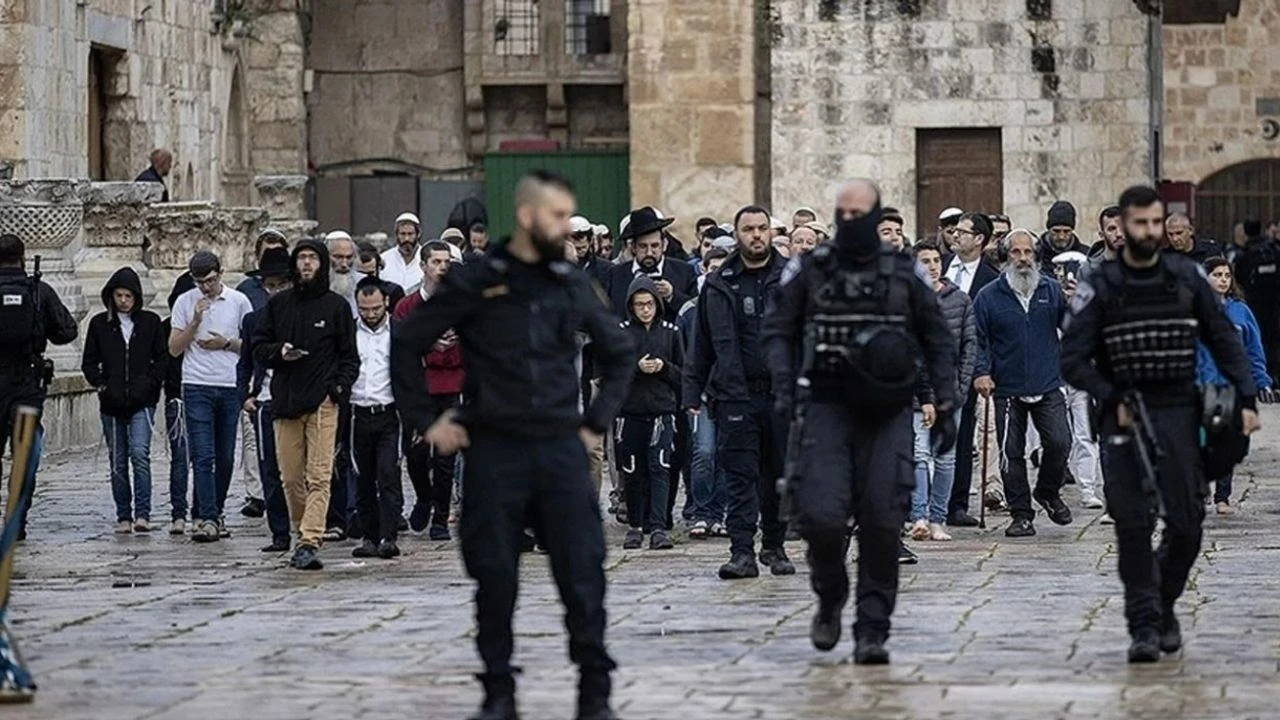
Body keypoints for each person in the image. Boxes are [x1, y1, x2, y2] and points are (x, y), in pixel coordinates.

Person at [390, 170, 634, 720]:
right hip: (495, 448)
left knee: (583, 572)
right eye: (555, 216)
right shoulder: (478, 279)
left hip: (558, 447)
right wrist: (427, 419)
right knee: (495, 577)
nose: (565, 226)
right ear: (527, 217)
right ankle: (498, 691)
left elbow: (618, 349)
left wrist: (595, 421)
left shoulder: (569, 280)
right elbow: (407, 340)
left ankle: (594, 693)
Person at [1062, 184, 1261, 663]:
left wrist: (1246, 397)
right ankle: (1144, 625)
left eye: (1158, 223)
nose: (1151, 232)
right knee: (1132, 526)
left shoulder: (1186, 278)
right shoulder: (1101, 283)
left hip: (1178, 408)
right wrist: (1111, 395)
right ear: (1123, 227)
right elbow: (1072, 358)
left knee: (1188, 522)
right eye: (1141, 224)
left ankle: (1164, 599)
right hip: (1124, 413)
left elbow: (1223, 337)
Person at [762, 180, 957, 664]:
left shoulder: (903, 272)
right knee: (823, 518)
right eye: (842, 213)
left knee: (882, 522)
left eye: (859, 213)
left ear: (876, 216)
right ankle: (830, 596)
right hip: (826, 407)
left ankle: (873, 628)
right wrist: (785, 385)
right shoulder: (811, 269)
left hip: (886, 411)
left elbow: (936, 337)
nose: (851, 222)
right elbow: (777, 330)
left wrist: (946, 405)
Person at [683, 205, 796, 580]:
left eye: (762, 228)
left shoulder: (792, 278)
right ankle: (742, 550)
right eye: (748, 229)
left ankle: (775, 546)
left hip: (782, 394)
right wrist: (692, 391)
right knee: (740, 474)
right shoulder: (720, 282)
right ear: (737, 234)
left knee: (778, 473)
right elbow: (701, 343)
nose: (757, 235)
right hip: (734, 394)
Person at [252, 239, 360, 570]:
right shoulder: (278, 304)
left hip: (323, 402)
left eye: (313, 258)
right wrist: (279, 353)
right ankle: (302, 530)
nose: (307, 264)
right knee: (290, 477)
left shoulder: (336, 307)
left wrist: (338, 388)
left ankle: (310, 538)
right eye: (302, 258)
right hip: (285, 401)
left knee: (320, 474)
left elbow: (349, 358)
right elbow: (258, 346)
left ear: (322, 264)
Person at [972, 229, 1074, 537]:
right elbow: (978, 340)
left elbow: (1070, 327)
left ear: (1036, 256)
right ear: (1006, 257)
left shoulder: (1051, 290)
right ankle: (1021, 513)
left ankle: (1047, 491)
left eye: (1028, 252)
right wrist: (981, 372)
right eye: (1015, 253)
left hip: (1047, 381)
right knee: (1010, 453)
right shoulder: (988, 296)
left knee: (1060, 442)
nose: (1022, 259)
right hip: (1006, 386)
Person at [168, 251, 253, 542]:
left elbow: (252, 346)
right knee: (203, 455)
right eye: (200, 282)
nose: (206, 287)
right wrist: (194, 322)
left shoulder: (239, 301)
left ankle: (214, 511)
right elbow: (174, 349)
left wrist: (225, 343)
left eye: (211, 280)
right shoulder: (185, 302)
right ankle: (206, 517)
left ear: (221, 273)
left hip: (230, 385)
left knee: (226, 456)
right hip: (196, 384)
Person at [81, 267, 167, 534]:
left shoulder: (150, 323)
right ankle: (123, 515)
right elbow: (89, 362)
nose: (123, 301)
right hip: (112, 402)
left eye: (128, 296)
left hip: (141, 401)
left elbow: (161, 360)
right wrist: (102, 384)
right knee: (117, 460)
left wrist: (150, 385)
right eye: (119, 295)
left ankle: (143, 513)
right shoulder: (99, 324)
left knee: (139, 453)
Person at [393, 240, 462, 541]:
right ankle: (424, 496)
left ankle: (440, 516)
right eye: (435, 262)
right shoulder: (407, 307)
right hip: (418, 389)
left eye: (446, 262)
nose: (442, 268)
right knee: (417, 452)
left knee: (446, 455)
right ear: (423, 266)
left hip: (451, 385)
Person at [908, 242, 975, 542]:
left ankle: (938, 517)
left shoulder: (959, 300)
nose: (933, 266)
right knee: (920, 454)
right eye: (925, 261)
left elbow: (969, 346)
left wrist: (960, 385)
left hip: (949, 390)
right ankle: (919, 515)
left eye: (936, 260)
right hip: (916, 393)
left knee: (946, 457)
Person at [1197, 257, 1271, 515]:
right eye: (1217, 275)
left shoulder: (1241, 311)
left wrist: (1261, 380)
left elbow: (1254, 350)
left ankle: (1223, 496)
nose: (1223, 280)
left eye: (1227, 276)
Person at [942, 213, 1000, 527]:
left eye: (963, 231)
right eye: (955, 231)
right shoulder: (938, 265)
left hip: (968, 364)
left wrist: (981, 368)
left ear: (979, 238)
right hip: (934, 362)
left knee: (963, 436)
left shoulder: (990, 280)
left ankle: (956, 504)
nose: (956, 236)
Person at [617, 276, 684, 551]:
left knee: (660, 469)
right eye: (639, 305)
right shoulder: (621, 332)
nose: (645, 310)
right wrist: (635, 368)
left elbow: (684, 373)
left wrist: (664, 368)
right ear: (631, 306)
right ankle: (635, 524)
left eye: (649, 304)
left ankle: (658, 525)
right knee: (632, 470)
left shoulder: (671, 332)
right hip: (629, 412)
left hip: (661, 411)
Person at [236, 247, 295, 552]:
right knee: (269, 469)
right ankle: (280, 533)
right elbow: (244, 362)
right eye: (270, 285)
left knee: (298, 471)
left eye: (281, 284)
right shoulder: (253, 320)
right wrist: (245, 395)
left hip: (298, 401)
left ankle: (309, 526)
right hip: (265, 401)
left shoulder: (304, 316)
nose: (275, 291)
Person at [348, 278, 404, 559]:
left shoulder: (399, 332)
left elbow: (410, 375)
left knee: (388, 474)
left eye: (375, 308)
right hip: (358, 413)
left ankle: (388, 536)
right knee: (363, 478)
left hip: (389, 413)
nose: (370, 315)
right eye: (364, 309)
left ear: (386, 304)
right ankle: (369, 536)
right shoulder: (348, 333)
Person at [679, 248, 729, 539]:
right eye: (712, 268)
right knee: (703, 451)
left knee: (724, 454)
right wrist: (691, 392)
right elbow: (688, 355)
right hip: (703, 394)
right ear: (703, 269)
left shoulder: (732, 305)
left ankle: (717, 513)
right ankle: (701, 510)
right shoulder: (690, 310)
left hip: (728, 391)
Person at [607, 207, 697, 323]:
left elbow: (695, 315)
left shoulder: (684, 272)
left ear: (664, 245)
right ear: (633, 247)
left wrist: (672, 295)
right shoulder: (615, 274)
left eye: (654, 246)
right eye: (643, 246)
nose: (649, 253)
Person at [1233, 219, 1280, 382]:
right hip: (1274, 303)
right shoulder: (1273, 250)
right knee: (1273, 339)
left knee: (1255, 339)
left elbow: (1237, 278)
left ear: (1245, 232)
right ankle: (1275, 374)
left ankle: (1261, 374)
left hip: (1252, 303)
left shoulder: (1244, 253)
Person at [1037, 201, 1090, 276]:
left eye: (1066, 231)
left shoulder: (1086, 255)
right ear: (1049, 230)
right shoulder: (1036, 254)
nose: (1061, 236)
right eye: (1056, 231)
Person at [382, 213, 424, 292]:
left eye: (410, 234)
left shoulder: (427, 258)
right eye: (402, 234)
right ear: (396, 235)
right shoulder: (385, 258)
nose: (406, 239)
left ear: (418, 234)